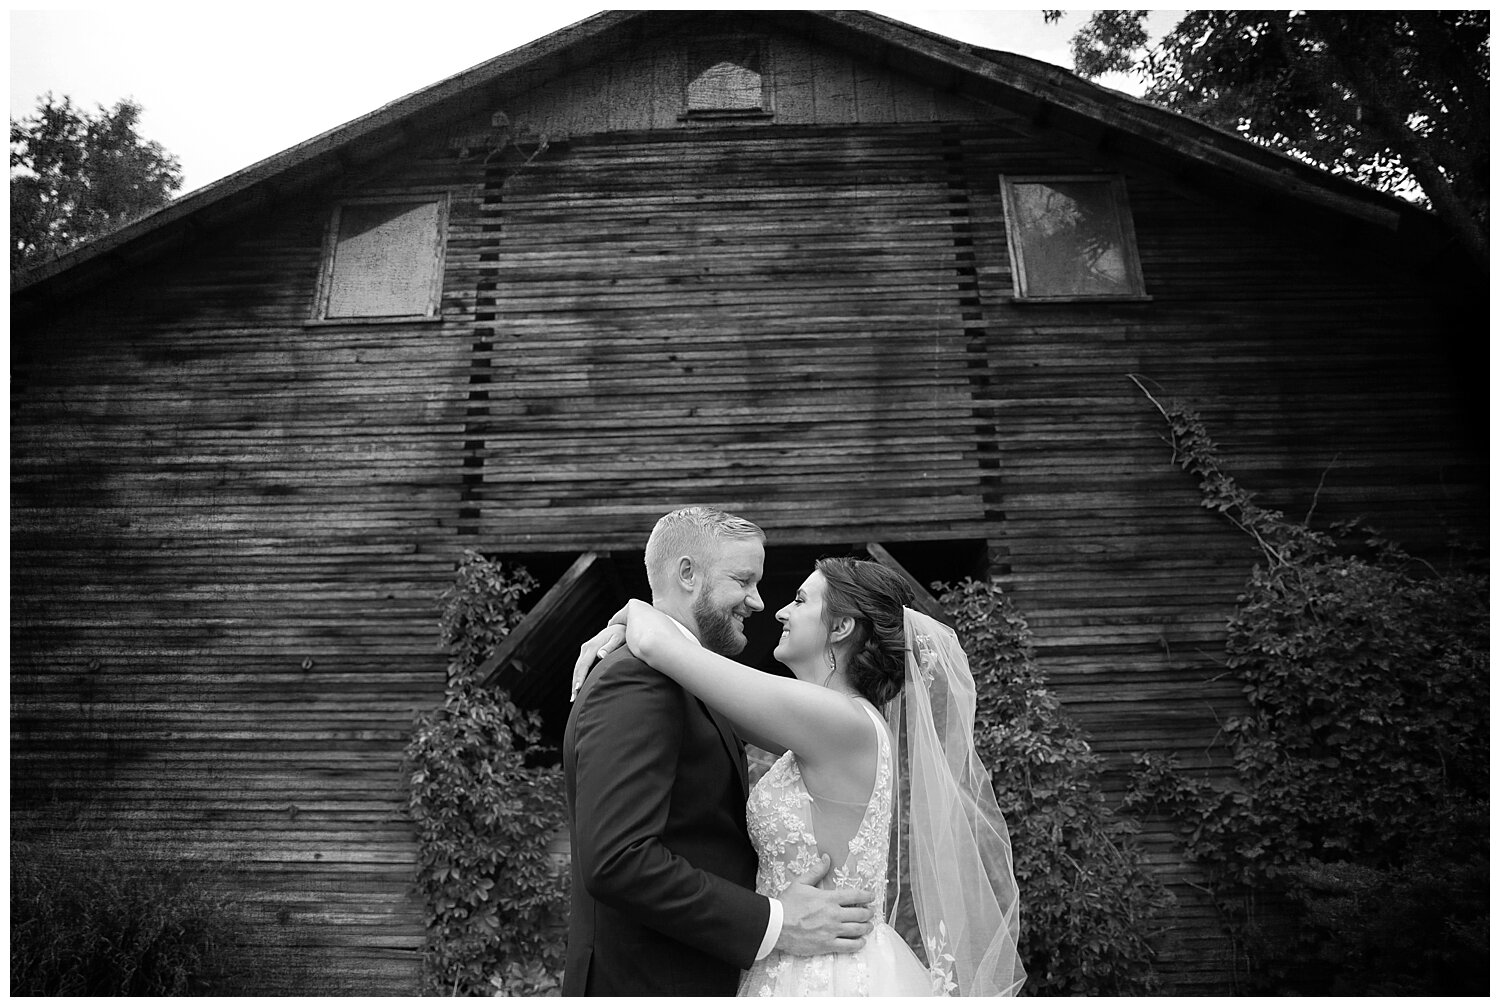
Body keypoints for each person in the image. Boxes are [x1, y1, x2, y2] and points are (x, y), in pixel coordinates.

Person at [575, 550, 1026, 997]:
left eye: (800, 600)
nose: (780, 610)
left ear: (841, 627)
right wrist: (632, 630)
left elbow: (663, 648)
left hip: (823, 973)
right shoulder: (831, 723)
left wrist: (634, 612)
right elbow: (705, 695)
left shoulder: (839, 721)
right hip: (791, 955)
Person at [562, 507, 878, 996]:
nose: (762, 603)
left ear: (842, 628)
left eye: (794, 598)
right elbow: (618, 859)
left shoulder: (827, 718)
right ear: (687, 573)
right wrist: (774, 921)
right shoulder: (636, 679)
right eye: (743, 579)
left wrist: (641, 619)